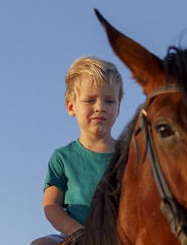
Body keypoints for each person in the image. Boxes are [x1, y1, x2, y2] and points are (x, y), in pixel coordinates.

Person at [30, 56, 124, 245]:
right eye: (90, 100)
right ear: (71, 106)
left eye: (110, 101)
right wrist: (76, 231)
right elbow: (51, 205)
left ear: (119, 107)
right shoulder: (62, 157)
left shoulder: (129, 156)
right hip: (75, 236)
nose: (100, 108)